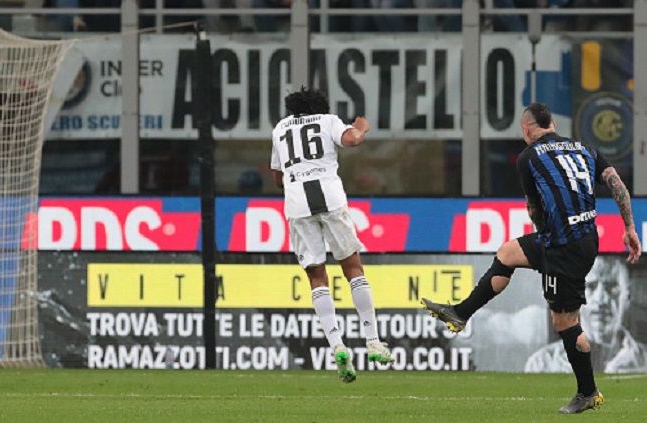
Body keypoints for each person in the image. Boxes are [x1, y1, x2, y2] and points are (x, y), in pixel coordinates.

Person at [422, 102, 641, 413]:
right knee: (508, 253)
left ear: (526, 129)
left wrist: (546, 241)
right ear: (552, 123)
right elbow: (616, 183)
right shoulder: (585, 148)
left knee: (565, 320)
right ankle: (461, 313)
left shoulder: (528, 157)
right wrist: (629, 227)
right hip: (585, 238)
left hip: (563, 247)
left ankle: (588, 392)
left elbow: (534, 208)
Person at [270, 87, 394, 383]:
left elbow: (277, 177)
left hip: (298, 204)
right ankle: (373, 340)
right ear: (319, 106)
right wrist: (361, 126)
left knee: (317, 278)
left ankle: (338, 346)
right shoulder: (326, 120)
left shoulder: (280, 129)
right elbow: (351, 140)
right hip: (330, 198)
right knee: (353, 269)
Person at [525, 256, 647, 373]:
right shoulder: (543, 365)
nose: (600, 299)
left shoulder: (644, 363)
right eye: (591, 287)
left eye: (612, 287)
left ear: (627, 297)